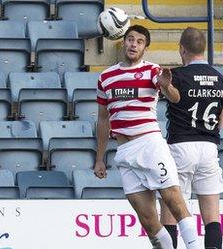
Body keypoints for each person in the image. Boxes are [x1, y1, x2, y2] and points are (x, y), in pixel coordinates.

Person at [94, 25, 201, 249]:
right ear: (123, 42)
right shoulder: (106, 77)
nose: (134, 44)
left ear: (145, 48)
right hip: (124, 152)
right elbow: (103, 119)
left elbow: (175, 98)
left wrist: (166, 86)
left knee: (174, 200)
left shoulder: (152, 71)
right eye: (130, 39)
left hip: (149, 145)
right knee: (149, 223)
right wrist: (100, 158)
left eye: (139, 41)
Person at [159, 27, 223, 249]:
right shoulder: (219, 78)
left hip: (181, 146)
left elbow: (169, 96)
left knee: (170, 212)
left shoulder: (176, 75)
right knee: (212, 216)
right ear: (203, 49)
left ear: (181, 49)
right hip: (209, 147)